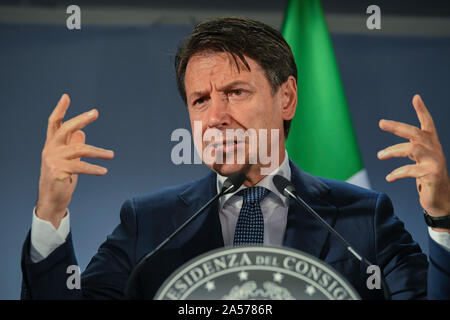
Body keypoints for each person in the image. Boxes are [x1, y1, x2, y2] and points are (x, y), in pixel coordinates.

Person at [21, 17, 449, 300]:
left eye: (235, 93)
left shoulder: (363, 217)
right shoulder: (148, 224)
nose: (215, 117)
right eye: (200, 100)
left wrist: (442, 218)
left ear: (287, 98)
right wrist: (50, 214)